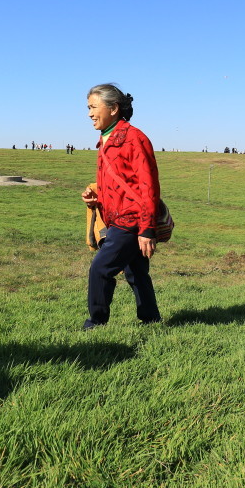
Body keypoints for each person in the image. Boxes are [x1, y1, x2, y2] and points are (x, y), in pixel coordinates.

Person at [80, 84, 161, 329]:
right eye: (88, 108)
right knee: (136, 272)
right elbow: (122, 184)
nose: (90, 114)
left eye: (94, 107)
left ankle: (96, 323)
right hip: (116, 217)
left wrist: (147, 229)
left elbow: (148, 186)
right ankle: (151, 320)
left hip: (131, 220)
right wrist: (97, 199)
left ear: (113, 108)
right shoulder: (106, 138)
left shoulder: (133, 138)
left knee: (100, 269)